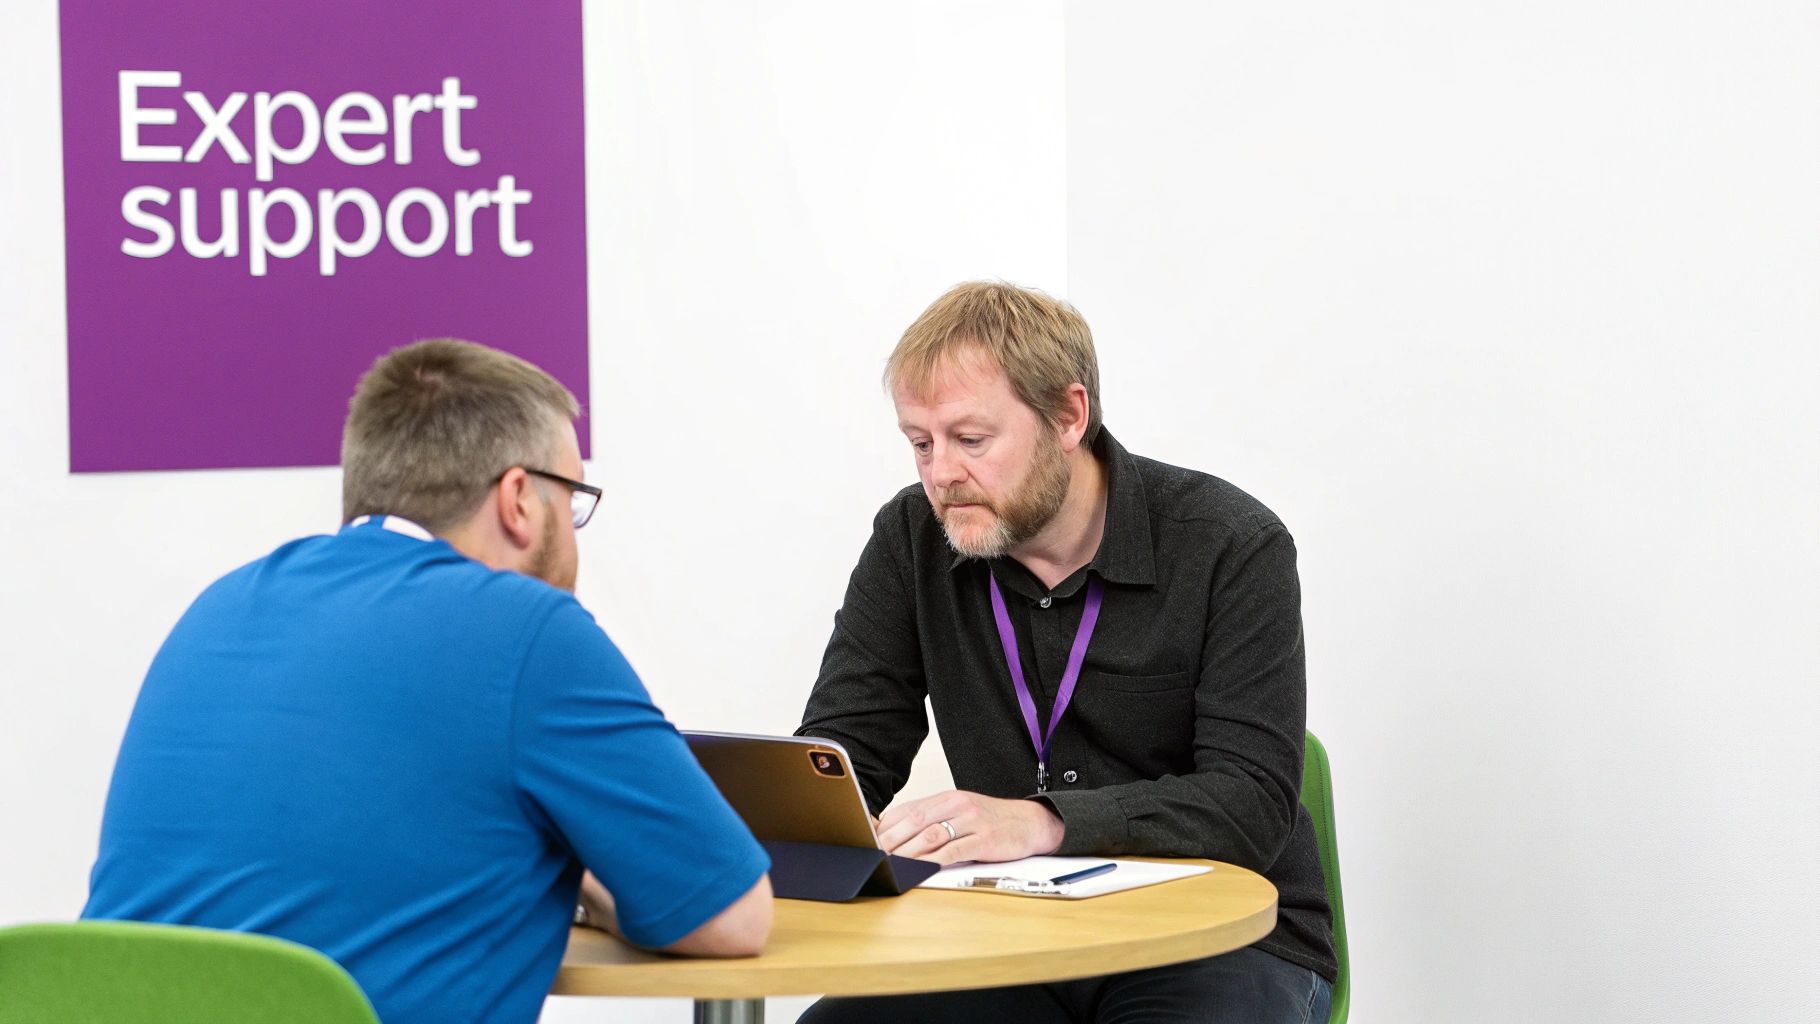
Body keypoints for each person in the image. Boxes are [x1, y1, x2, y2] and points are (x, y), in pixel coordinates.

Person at [82, 339, 772, 1024]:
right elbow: (733, 917)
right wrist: (593, 883)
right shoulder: (528, 630)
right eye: (573, 497)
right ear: (520, 500)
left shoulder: (221, 605)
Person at [797, 282, 1335, 1023]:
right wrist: (785, 809)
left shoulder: (1230, 544)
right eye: (920, 443)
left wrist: (1044, 821)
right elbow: (850, 749)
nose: (941, 474)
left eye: (971, 439)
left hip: (1220, 940)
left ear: (1068, 416)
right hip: (1014, 940)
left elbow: (1251, 800)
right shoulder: (910, 538)